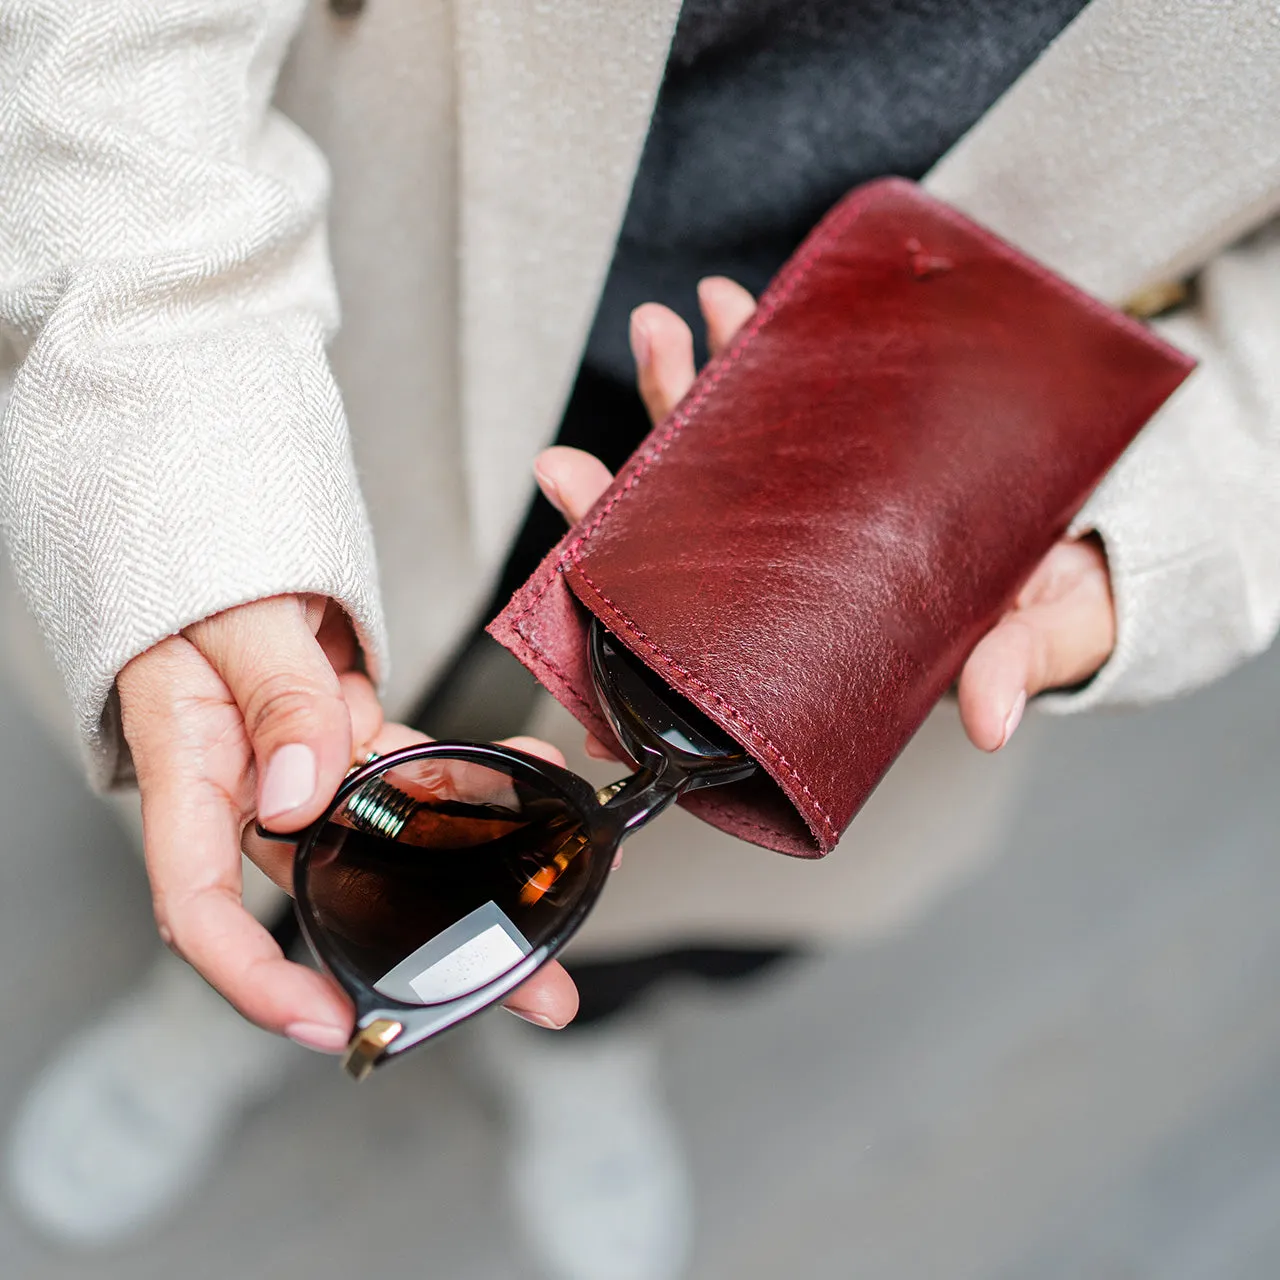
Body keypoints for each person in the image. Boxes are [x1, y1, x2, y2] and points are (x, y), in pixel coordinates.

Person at [1, 2, 1278, 1277]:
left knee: (666, 886)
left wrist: (1143, 519)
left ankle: (583, 1036)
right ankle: (247, 997)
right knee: (283, 771)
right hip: (348, 305)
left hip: (919, 494)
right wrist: (174, 430)